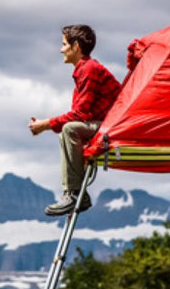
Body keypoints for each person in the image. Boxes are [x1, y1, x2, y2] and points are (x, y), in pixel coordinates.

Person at [30, 24, 121, 216]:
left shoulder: (89, 70)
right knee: (67, 132)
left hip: (113, 126)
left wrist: (44, 125)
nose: (61, 49)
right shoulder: (84, 70)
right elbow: (82, 114)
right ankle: (74, 192)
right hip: (105, 124)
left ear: (76, 46)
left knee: (70, 129)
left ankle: (73, 193)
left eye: (64, 44)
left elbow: (79, 115)